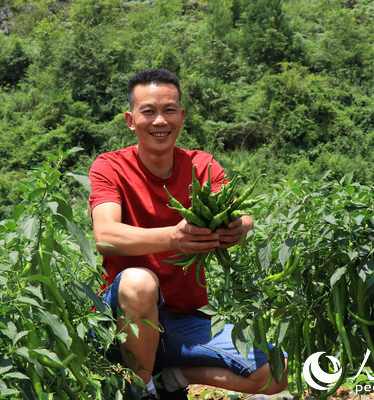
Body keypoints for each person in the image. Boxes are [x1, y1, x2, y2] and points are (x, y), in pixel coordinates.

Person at [88, 68, 288, 400]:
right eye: (148, 111)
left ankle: (172, 378)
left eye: (169, 111)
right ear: (130, 119)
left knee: (276, 372)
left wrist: (240, 228)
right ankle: (141, 391)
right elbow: (106, 235)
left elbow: (240, 213)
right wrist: (173, 238)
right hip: (122, 319)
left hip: (184, 319)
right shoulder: (111, 166)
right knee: (139, 282)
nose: (160, 121)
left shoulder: (201, 165)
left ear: (181, 117)